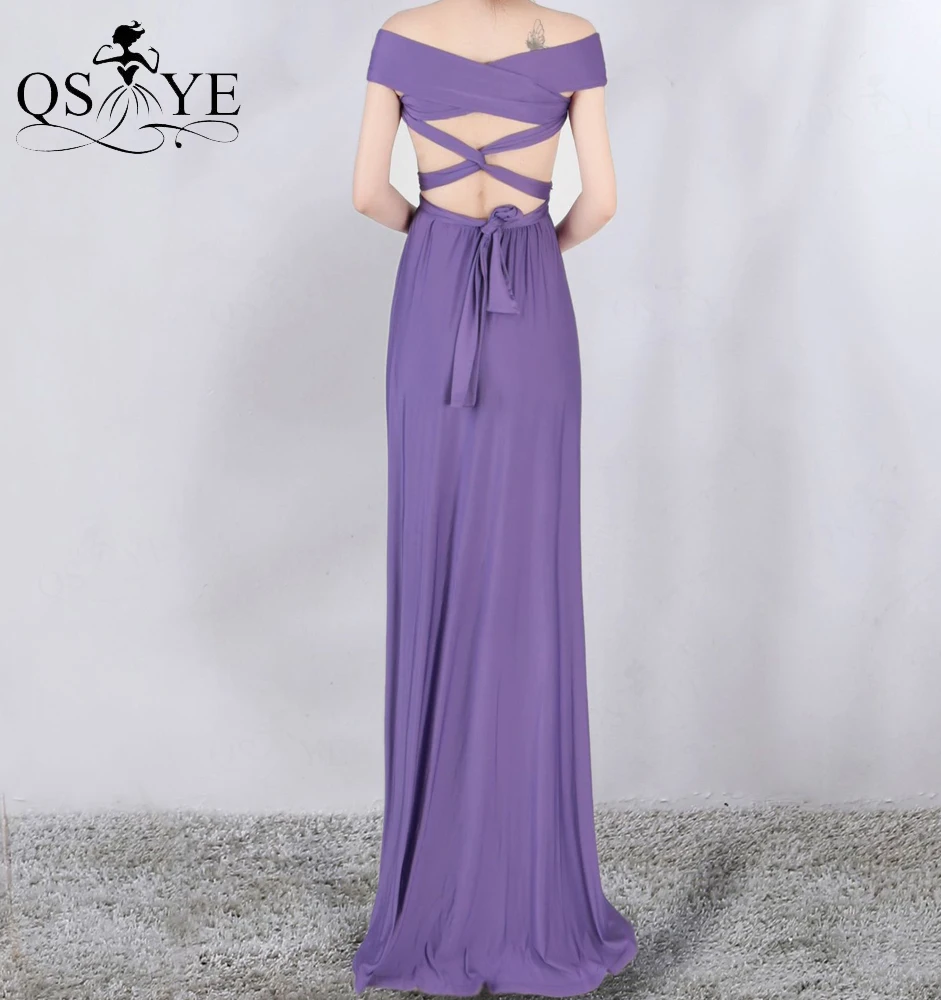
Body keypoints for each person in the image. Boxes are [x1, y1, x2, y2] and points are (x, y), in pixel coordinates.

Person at [351, 0, 636, 994]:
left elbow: (367, 193)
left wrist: (439, 238)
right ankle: (528, 895)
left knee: (433, 558)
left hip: (431, 295)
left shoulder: (400, 35)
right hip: (532, 299)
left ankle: (432, 895)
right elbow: (600, 202)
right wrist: (529, 249)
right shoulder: (573, 37)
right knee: (528, 580)